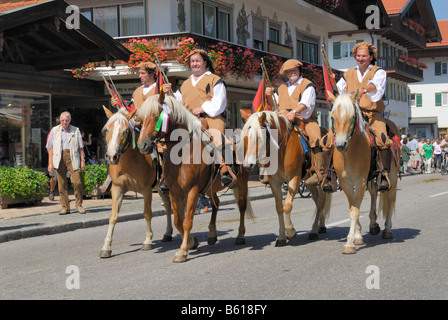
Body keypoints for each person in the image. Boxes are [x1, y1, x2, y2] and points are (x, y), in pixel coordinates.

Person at [163, 49, 235, 187]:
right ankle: (168, 175)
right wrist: (168, 93)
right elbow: (177, 102)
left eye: (197, 61)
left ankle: (226, 171)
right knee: (170, 140)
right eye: (192, 61)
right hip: (189, 119)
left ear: (205, 62)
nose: (194, 64)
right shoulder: (186, 83)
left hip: (211, 117)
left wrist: (202, 108)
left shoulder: (215, 80)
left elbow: (219, 102)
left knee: (216, 138)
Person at [265, 58, 334, 191]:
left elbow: (306, 103)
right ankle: (270, 168)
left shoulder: (308, 85)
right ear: (285, 73)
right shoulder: (281, 88)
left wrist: (294, 112)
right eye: (289, 71)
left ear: (299, 70)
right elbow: (274, 104)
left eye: (294, 70)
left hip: (305, 120)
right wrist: (268, 95)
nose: (292, 72)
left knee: (315, 138)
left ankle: (319, 172)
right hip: (285, 120)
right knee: (269, 135)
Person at [336, 42, 391, 191]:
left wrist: (363, 90)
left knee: (382, 138)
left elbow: (376, 86)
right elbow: (340, 89)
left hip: (371, 114)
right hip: (352, 113)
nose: (361, 58)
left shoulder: (378, 71)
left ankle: (383, 174)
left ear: (371, 57)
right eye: (358, 56)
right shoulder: (348, 73)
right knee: (331, 138)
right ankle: (329, 175)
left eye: (364, 56)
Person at [102, 61, 163, 193]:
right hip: (137, 125)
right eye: (139, 73)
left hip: (153, 126)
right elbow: (131, 108)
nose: (140, 76)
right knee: (118, 140)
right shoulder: (137, 91)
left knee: (162, 147)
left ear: (151, 74)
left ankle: (164, 177)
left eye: (142, 73)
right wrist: (117, 103)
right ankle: (111, 175)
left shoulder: (159, 89)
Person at [46, 111, 86, 215]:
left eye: (67, 120)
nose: (65, 122)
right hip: (59, 157)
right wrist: (50, 163)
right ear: (60, 120)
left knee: (77, 182)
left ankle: (79, 204)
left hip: (72, 156)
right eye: (63, 120)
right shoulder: (55, 130)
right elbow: (50, 147)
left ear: (70, 121)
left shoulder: (75, 130)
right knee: (61, 184)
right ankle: (65, 207)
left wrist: (82, 161)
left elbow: (80, 147)